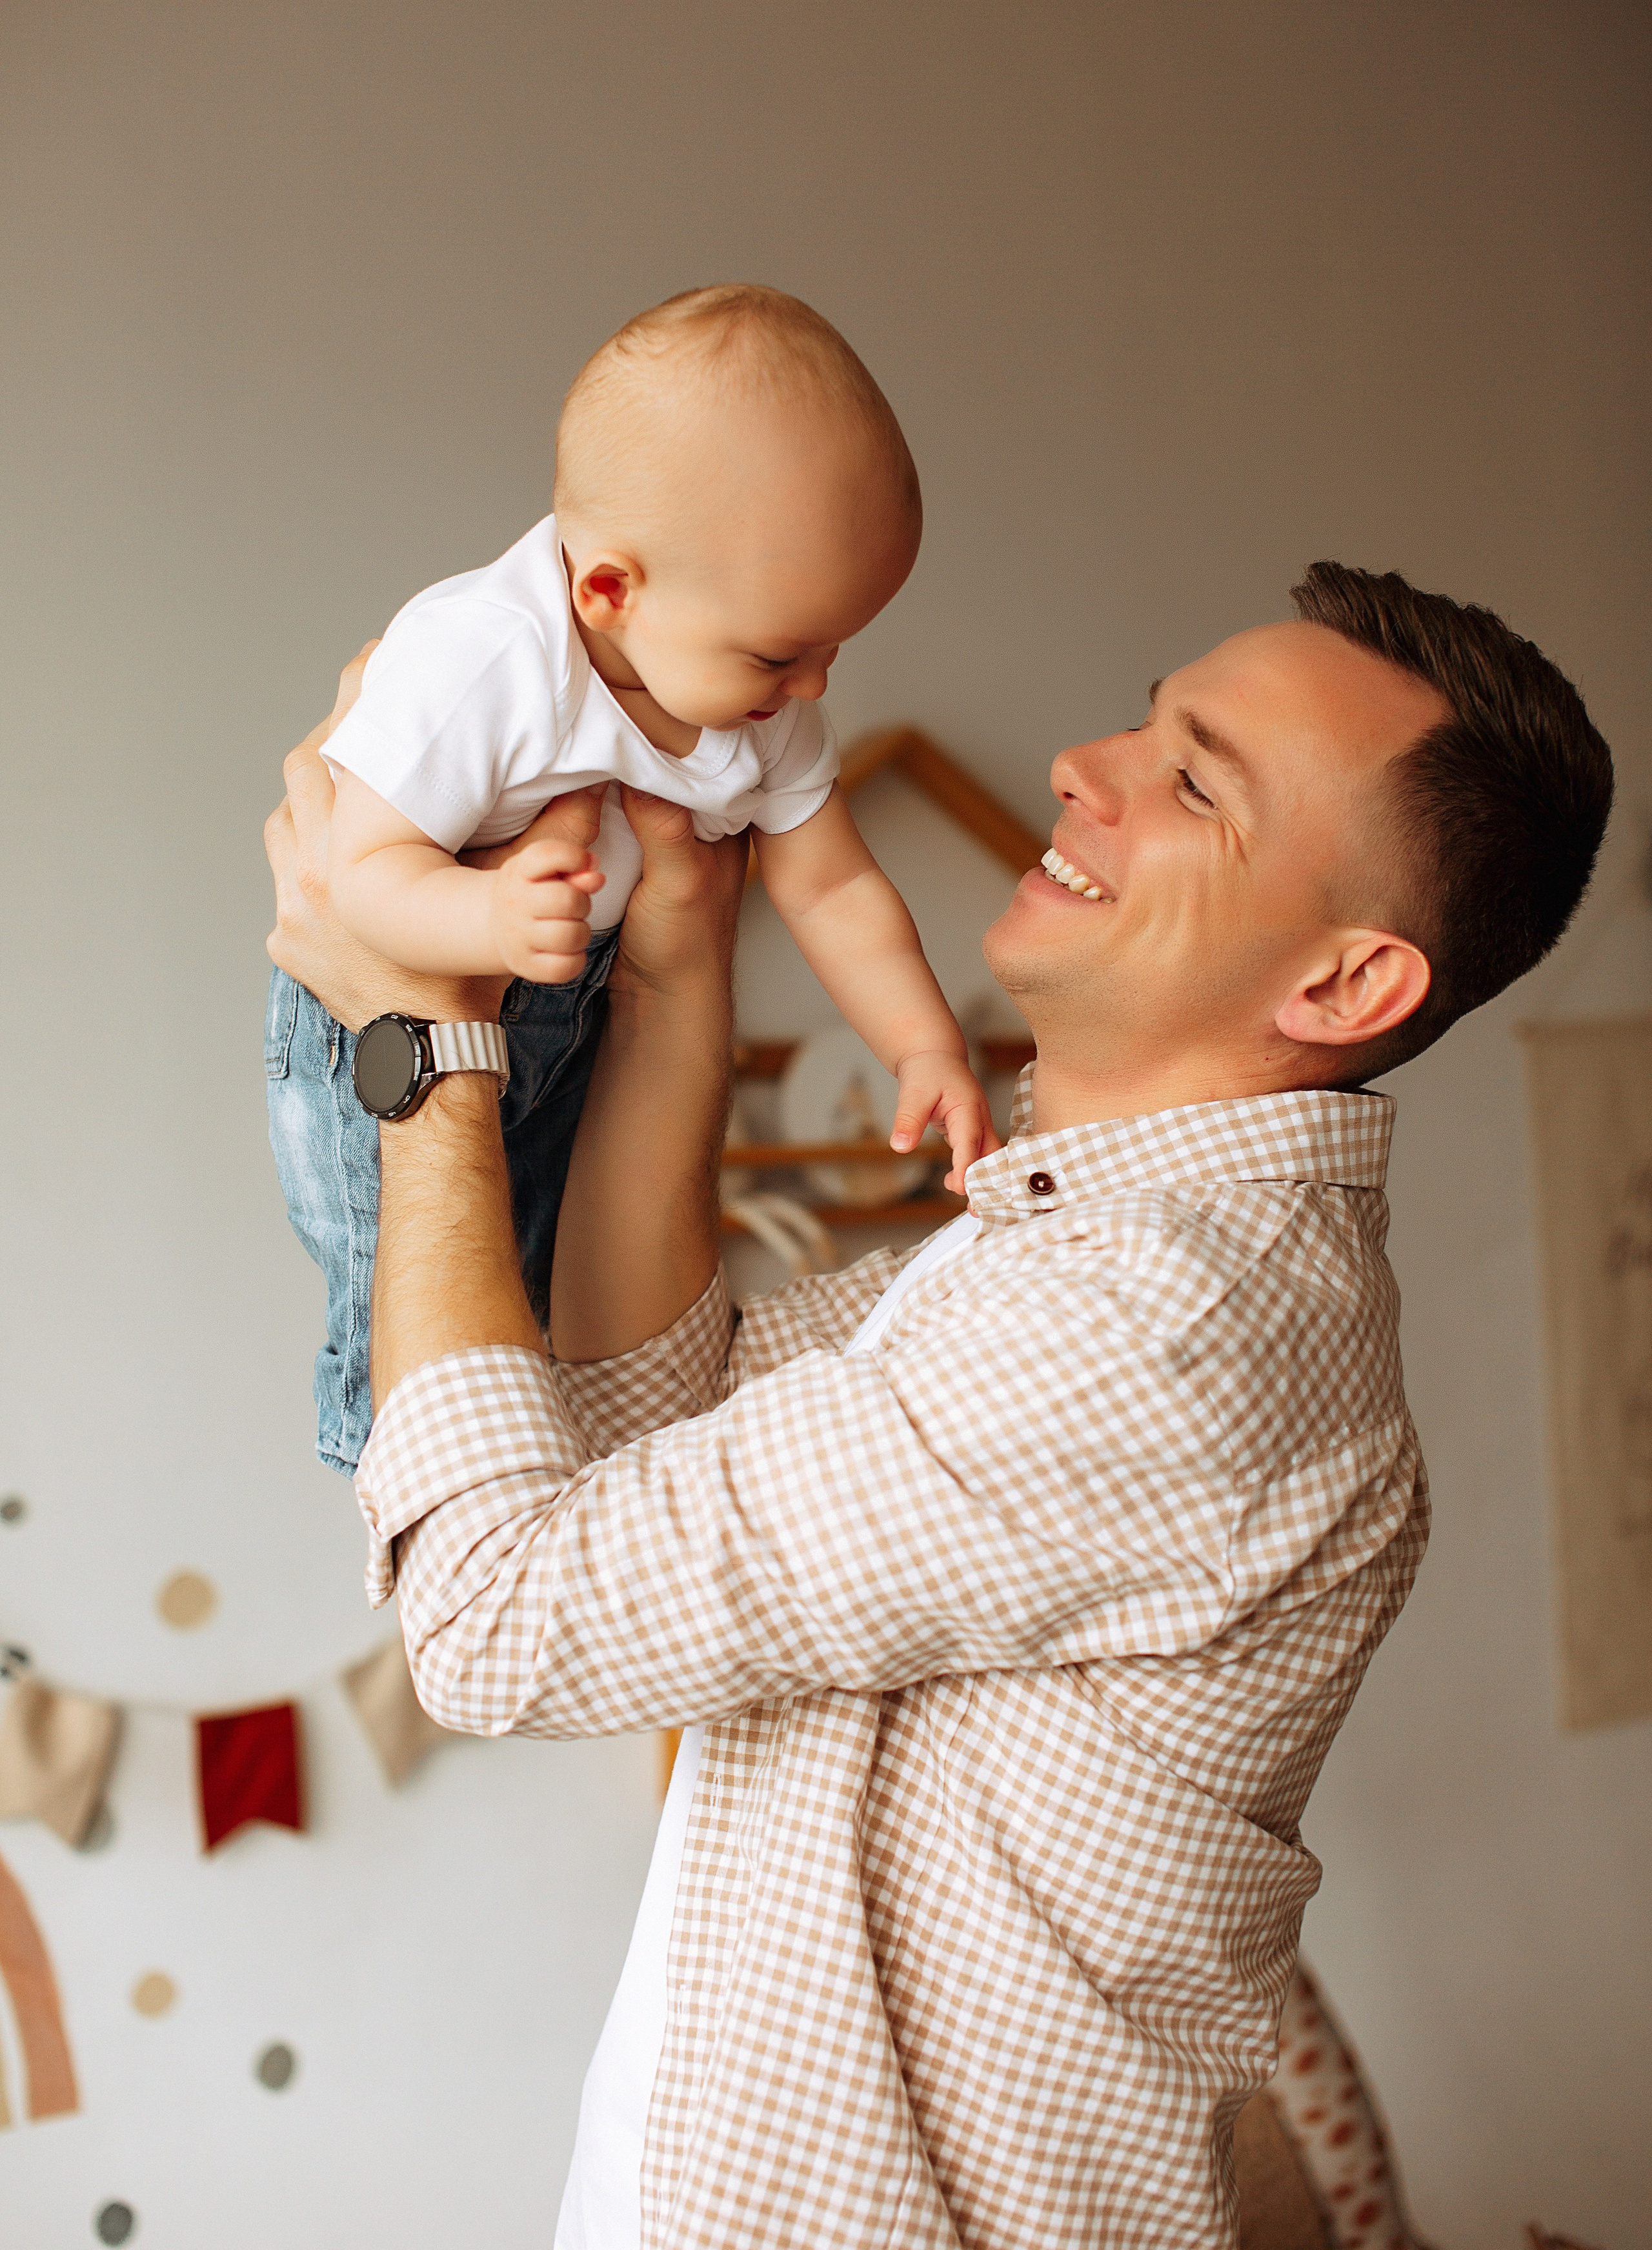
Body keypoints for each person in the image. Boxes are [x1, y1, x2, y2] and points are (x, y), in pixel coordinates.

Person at [264, 562, 1611, 2248]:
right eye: (1148, 713)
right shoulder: (1091, 1248)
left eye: (1194, 780)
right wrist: (683, 951)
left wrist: (423, 1049)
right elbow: (645, 1419)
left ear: (1345, 987)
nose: (1085, 765)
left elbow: (498, 1622)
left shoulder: (1163, 1326)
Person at [267, 284, 993, 1474]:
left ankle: (531, 1476)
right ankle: (388, 1463)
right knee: (391, 1258)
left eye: (834, 650)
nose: (812, 690)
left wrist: (922, 1046)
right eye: (781, 652)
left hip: (575, 1000)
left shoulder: (761, 703)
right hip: (378, 1022)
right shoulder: (485, 661)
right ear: (610, 591)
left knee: (538, 1277)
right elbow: (350, 875)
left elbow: (835, 889)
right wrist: (486, 915)